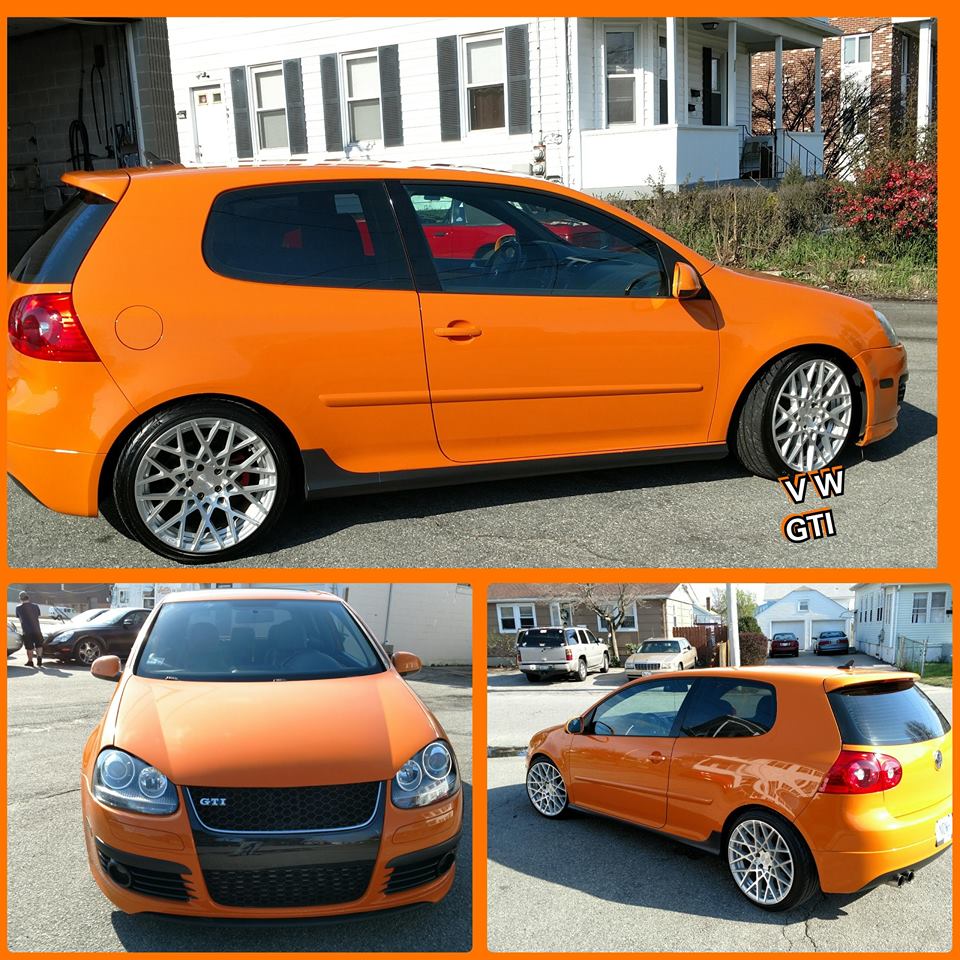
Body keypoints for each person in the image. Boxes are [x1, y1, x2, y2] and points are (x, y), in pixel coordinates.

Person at [15, 591, 44, 668]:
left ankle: (30, 661)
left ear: (20, 598)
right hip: (37, 629)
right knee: (39, 645)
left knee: (29, 647)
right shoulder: (35, 606)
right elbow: (38, 615)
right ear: (28, 597)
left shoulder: (18, 608)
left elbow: (18, 617)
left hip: (27, 631)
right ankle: (39, 660)